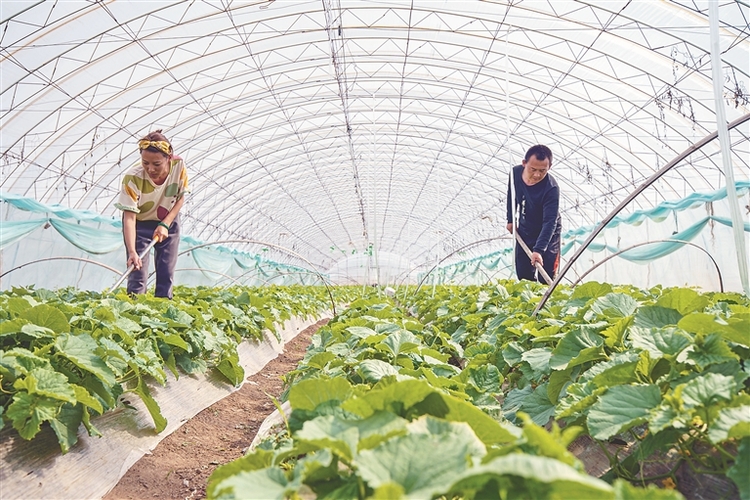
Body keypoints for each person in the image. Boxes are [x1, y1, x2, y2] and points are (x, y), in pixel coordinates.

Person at [114, 130, 189, 298]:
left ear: (168, 158)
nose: (150, 168)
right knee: (137, 272)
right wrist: (132, 251)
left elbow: (180, 198)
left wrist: (165, 224)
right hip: (140, 223)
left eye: (156, 164)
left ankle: (163, 312)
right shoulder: (132, 178)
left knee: (166, 272)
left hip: (168, 220)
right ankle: (133, 312)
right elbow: (129, 217)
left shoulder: (178, 166)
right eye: (145, 162)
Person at [506, 144, 562, 283]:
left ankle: (546, 301)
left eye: (543, 171)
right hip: (526, 228)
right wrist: (510, 219)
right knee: (523, 273)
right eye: (533, 169)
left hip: (548, 233)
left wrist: (539, 250)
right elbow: (511, 196)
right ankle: (530, 303)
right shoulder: (515, 174)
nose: (537, 174)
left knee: (546, 275)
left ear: (549, 167)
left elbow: (550, 222)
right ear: (524, 163)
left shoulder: (551, 188)